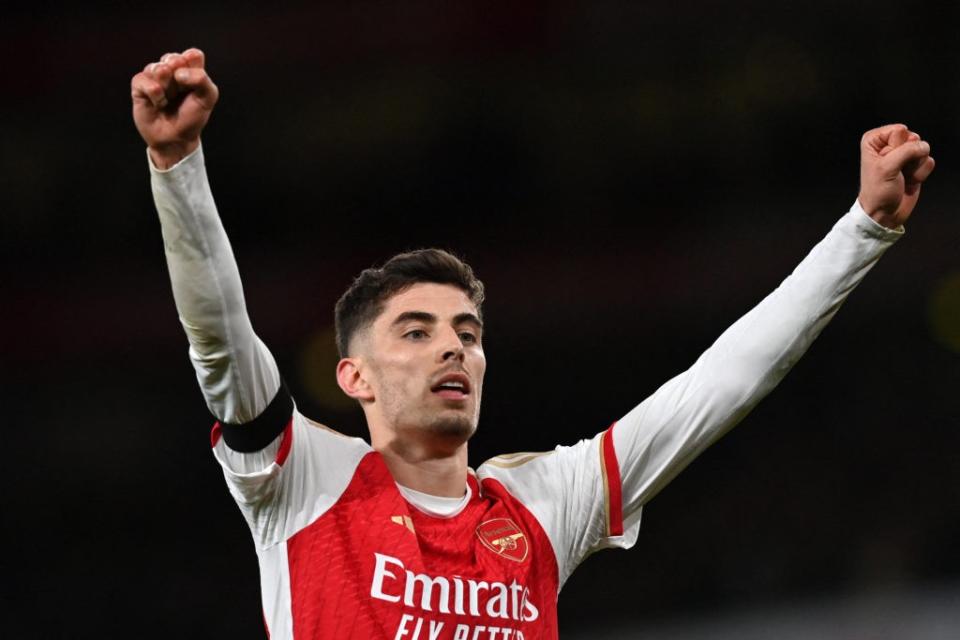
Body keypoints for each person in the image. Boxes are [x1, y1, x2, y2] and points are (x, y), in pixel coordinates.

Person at [131, 48, 935, 640]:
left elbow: (717, 385)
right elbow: (220, 342)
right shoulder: (303, 483)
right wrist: (178, 165)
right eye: (416, 331)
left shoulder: (545, 504)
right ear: (355, 376)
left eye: (467, 333)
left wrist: (863, 231)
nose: (453, 349)